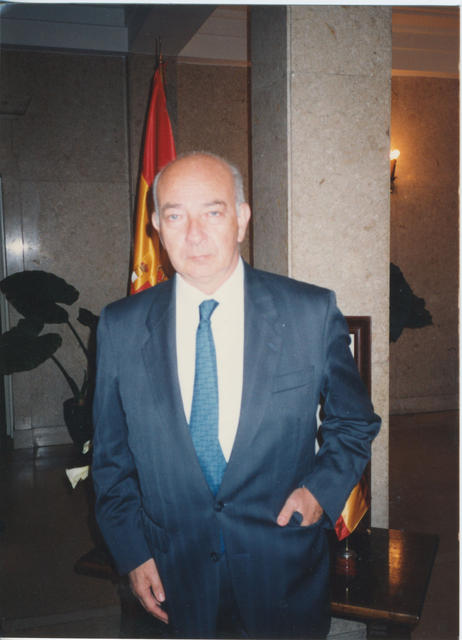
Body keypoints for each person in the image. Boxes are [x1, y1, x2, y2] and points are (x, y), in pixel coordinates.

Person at [92, 151, 381, 639]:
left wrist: (320, 492)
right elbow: (110, 459)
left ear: (242, 219)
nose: (194, 234)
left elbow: (353, 422)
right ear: (156, 228)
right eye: (175, 216)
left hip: (283, 572)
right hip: (171, 575)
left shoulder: (309, 313)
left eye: (213, 211)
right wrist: (133, 553)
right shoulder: (120, 327)